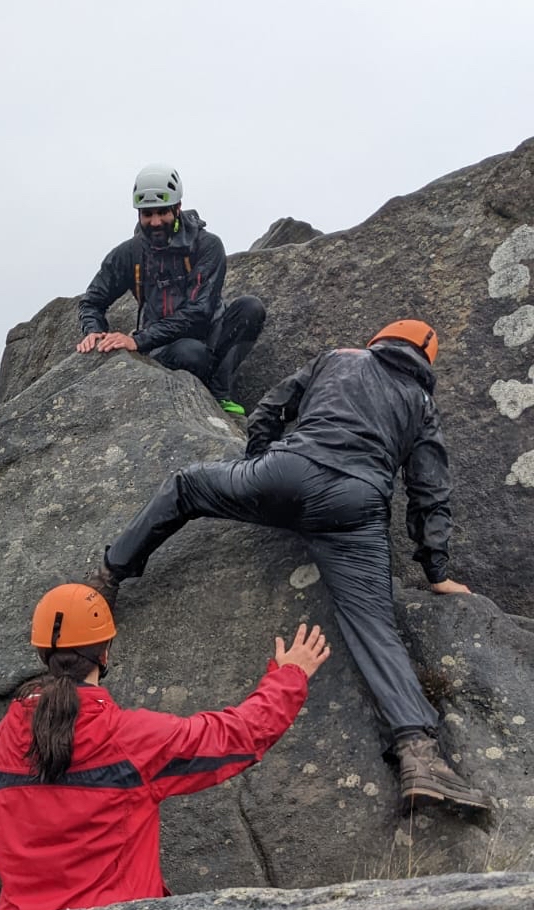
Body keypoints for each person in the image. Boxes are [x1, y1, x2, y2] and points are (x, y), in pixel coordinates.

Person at [91, 320, 489, 814]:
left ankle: (106, 579)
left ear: (377, 340)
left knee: (184, 487)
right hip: (353, 506)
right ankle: (420, 758)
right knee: (374, 627)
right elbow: (431, 494)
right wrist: (436, 571)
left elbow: (270, 409)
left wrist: (258, 469)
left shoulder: (337, 358)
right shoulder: (422, 404)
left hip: (285, 472)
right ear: (425, 361)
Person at [0, 585, 329, 910]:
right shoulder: (130, 738)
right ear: (104, 653)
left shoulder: (0, 740)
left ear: (43, 654)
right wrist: (289, 676)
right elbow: (239, 736)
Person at [76, 162, 266, 415]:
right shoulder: (129, 253)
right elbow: (92, 302)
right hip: (165, 346)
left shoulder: (207, 245)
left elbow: (200, 310)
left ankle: (220, 393)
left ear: (177, 208)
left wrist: (136, 340)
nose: (155, 222)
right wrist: (94, 330)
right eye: (147, 214)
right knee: (192, 353)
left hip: (208, 332)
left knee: (250, 308)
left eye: (162, 212)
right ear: (139, 214)